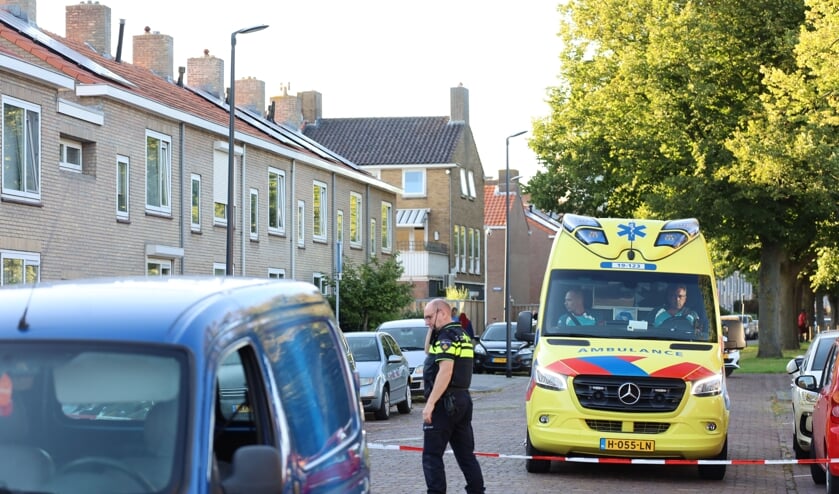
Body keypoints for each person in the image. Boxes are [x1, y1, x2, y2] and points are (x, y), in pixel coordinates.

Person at [422, 299, 484, 494]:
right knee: (466, 455)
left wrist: (430, 403)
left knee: (432, 456)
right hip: (462, 401)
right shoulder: (462, 335)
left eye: (429, 317)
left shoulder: (446, 338)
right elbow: (428, 351)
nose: (426, 322)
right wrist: (432, 327)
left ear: (443, 313)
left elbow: (445, 371)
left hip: (445, 403)